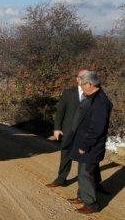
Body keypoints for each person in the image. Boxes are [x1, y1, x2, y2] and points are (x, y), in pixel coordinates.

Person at [67, 71, 112, 214]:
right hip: (85, 143)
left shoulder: (100, 101)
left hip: (91, 146)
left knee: (86, 174)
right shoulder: (92, 96)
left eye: (83, 85)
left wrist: (85, 145)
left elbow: (97, 128)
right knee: (83, 172)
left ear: (90, 84)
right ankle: (82, 196)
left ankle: (91, 204)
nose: (82, 87)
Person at [46, 69, 87, 188]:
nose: (85, 78)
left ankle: (92, 185)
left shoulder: (92, 93)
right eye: (82, 76)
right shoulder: (68, 93)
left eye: (87, 76)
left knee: (87, 160)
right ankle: (61, 179)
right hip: (69, 131)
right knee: (66, 155)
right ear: (77, 79)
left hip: (85, 133)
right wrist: (57, 128)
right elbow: (60, 112)